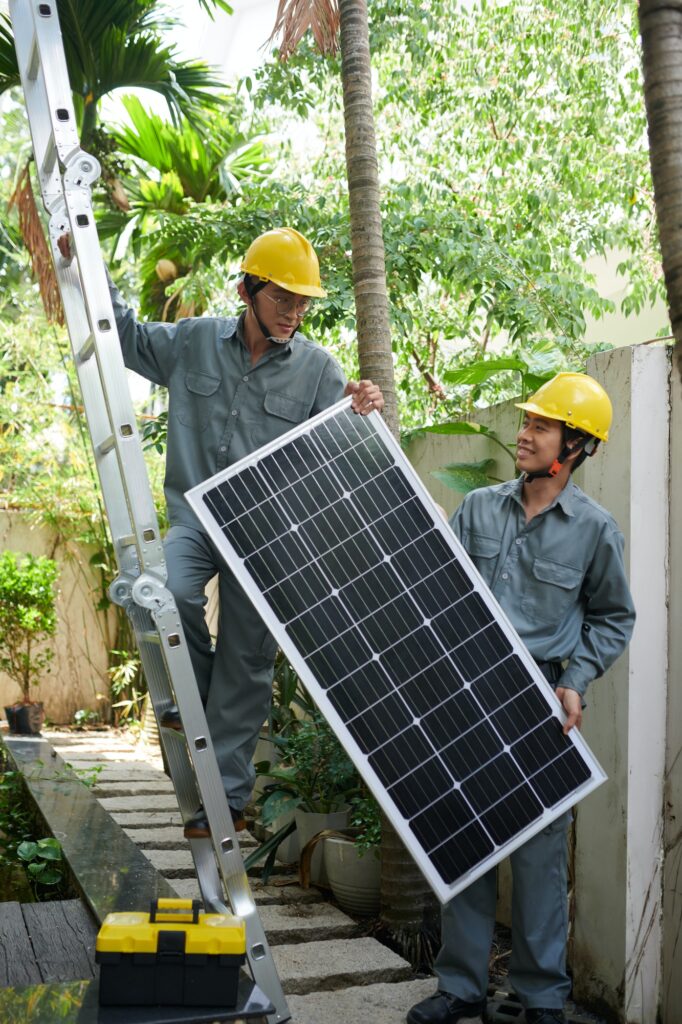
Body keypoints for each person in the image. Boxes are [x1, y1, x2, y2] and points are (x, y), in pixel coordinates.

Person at [59, 226, 384, 837]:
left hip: (270, 536)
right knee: (166, 590)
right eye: (282, 297)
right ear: (248, 290)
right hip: (197, 519)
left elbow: (342, 449)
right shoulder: (196, 340)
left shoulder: (318, 371)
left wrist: (359, 404)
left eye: (303, 300)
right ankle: (193, 700)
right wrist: (87, 268)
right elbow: (123, 336)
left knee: (248, 659)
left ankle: (227, 801)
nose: (294, 311)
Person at [407, 372, 636, 1024]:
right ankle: (460, 987)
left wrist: (575, 680)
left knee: (538, 856)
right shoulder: (478, 508)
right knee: (465, 835)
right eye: (527, 422)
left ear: (576, 446)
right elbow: (439, 591)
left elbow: (613, 617)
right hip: (468, 688)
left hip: (539, 694)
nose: (525, 434)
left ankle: (541, 999)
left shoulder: (595, 531)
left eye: (541, 426)